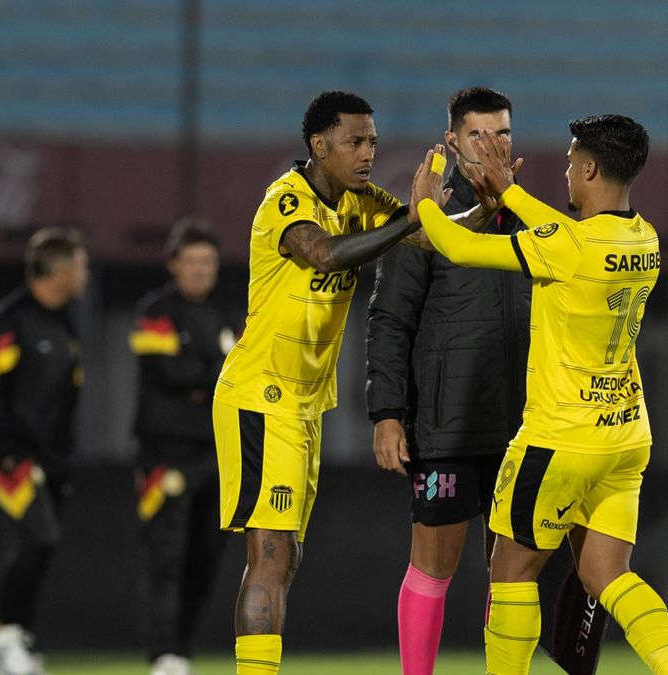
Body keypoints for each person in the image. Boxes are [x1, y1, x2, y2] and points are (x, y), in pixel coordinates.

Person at [211, 90, 496, 674]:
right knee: (269, 554)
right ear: (319, 146)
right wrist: (413, 217)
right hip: (262, 394)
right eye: (355, 142)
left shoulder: (360, 200)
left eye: (373, 142)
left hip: (303, 403)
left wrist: (483, 212)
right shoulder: (285, 200)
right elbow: (324, 255)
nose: (368, 153)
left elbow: (426, 236)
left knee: (286, 556)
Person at [411, 116, 668, 674]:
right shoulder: (646, 239)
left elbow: (458, 247)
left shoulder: (568, 246)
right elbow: (564, 234)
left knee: (511, 572)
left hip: (560, 438)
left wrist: (423, 206)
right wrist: (509, 193)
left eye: (569, 162)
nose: (565, 172)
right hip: (624, 436)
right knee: (608, 575)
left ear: (589, 168)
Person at [364, 86, 529, 675]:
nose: (491, 144)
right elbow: (389, 320)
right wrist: (387, 413)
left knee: (513, 576)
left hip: (524, 427)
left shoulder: (533, 220)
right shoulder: (422, 220)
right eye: (478, 133)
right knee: (434, 566)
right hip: (447, 425)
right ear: (452, 142)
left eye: (502, 132)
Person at [0, 227, 89, 675]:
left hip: (52, 460)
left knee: (40, 545)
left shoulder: (64, 321)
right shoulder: (8, 319)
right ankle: (0, 633)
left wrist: (62, 457)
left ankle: (13, 635)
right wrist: (5, 450)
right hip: (12, 456)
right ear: (59, 270)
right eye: (80, 265)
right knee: (38, 537)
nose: (85, 274)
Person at [129, 219, 237, 675]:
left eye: (207, 260)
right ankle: (163, 654)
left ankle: (183, 652)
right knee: (166, 556)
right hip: (165, 454)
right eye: (191, 260)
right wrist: (215, 369)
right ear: (173, 264)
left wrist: (202, 375)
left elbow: (239, 375)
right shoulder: (154, 310)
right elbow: (169, 372)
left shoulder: (228, 312)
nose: (199, 268)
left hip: (218, 453)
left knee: (205, 558)